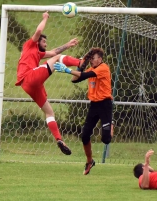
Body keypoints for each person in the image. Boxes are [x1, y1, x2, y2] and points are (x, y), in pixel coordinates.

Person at [15, 11, 81, 155]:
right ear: (37, 41)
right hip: (29, 77)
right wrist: (45, 18)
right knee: (57, 58)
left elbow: (53, 52)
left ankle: (59, 139)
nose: (46, 44)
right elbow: (39, 31)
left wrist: (68, 45)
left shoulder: (38, 54)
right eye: (43, 42)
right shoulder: (29, 45)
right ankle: (81, 63)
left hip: (29, 86)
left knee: (49, 112)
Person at [53, 47, 113, 175]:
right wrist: (81, 64)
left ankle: (110, 123)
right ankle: (89, 161)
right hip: (94, 105)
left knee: (106, 140)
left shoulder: (103, 68)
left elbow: (85, 75)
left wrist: (68, 70)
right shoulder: (91, 68)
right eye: (90, 59)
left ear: (100, 59)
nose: (91, 61)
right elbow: (75, 80)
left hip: (105, 105)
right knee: (85, 135)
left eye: (93, 58)